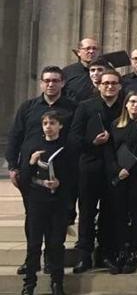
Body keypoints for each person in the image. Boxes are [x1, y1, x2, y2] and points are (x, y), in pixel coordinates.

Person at [6, 66, 77, 275]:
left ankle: (52, 260)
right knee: (33, 218)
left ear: (62, 83)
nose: (51, 84)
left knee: (59, 220)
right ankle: (32, 260)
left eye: (55, 80)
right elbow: (15, 136)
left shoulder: (72, 108)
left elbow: (75, 139)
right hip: (31, 174)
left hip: (61, 175)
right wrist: (13, 166)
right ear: (41, 83)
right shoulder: (28, 107)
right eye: (47, 80)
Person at [68, 69, 124, 273]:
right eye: (105, 83)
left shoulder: (124, 108)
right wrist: (92, 142)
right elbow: (73, 138)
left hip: (114, 169)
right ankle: (84, 256)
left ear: (119, 86)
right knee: (87, 212)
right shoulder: (85, 107)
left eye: (113, 83)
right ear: (98, 85)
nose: (109, 86)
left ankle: (106, 255)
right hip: (90, 166)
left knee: (111, 212)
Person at [19, 111, 73, 295]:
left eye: (52, 123)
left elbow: (74, 178)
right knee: (34, 245)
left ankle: (57, 283)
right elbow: (24, 178)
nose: (48, 126)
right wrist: (32, 163)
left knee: (56, 244)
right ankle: (29, 284)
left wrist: (60, 183)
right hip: (37, 201)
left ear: (60, 126)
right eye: (45, 123)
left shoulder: (66, 148)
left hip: (57, 203)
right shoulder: (33, 145)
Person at [105, 91, 137, 274]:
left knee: (136, 214)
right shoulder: (116, 124)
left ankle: (132, 253)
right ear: (126, 104)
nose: (135, 105)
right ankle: (121, 251)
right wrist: (118, 170)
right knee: (119, 214)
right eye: (132, 102)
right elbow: (109, 151)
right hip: (120, 175)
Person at [62, 37, 101, 103]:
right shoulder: (67, 71)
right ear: (78, 52)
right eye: (87, 48)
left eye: (94, 48)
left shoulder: (106, 71)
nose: (91, 51)